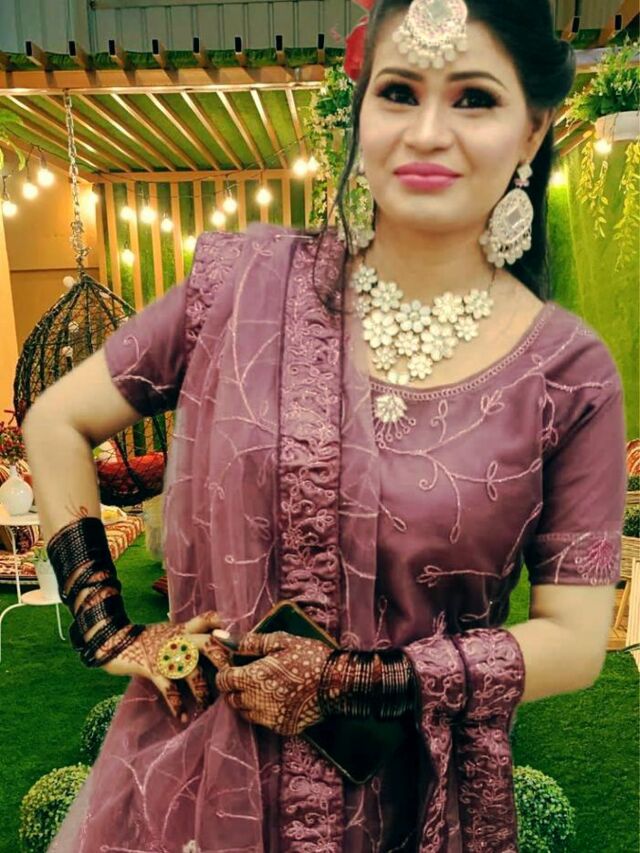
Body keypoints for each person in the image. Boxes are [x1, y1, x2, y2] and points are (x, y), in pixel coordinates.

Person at [23, 0, 627, 850]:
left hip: (409, 798)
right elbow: (57, 418)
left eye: (474, 98)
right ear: (362, 112)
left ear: (532, 128)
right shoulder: (240, 289)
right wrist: (105, 627)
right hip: (202, 786)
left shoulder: (567, 372)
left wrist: (353, 680)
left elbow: (576, 638)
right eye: (399, 91)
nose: (427, 131)